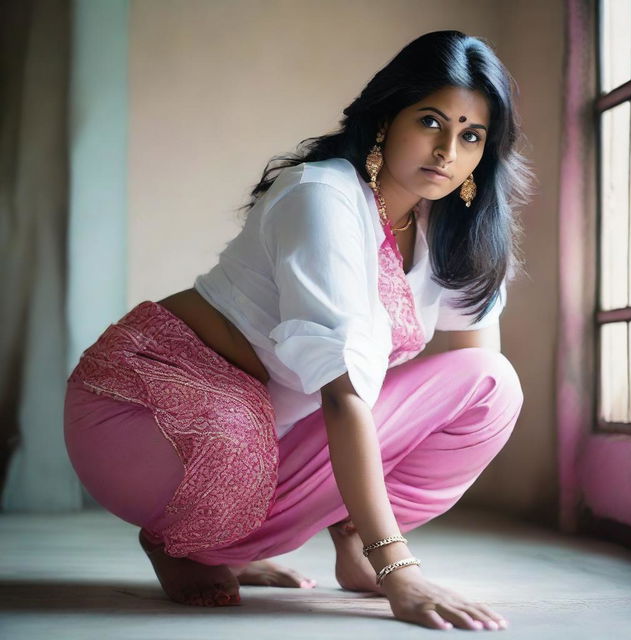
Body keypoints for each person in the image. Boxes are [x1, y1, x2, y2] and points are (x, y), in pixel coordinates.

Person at [63, 30, 533, 631]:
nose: (447, 151)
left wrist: (368, 539)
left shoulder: (454, 228)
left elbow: (461, 381)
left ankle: (308, 544)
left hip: (269, 426)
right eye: (431, 121)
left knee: (491, 386)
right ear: (387, 116)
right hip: (142, 411)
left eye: (471, 135)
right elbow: (343, 396)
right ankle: (190, 541)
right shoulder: (324, 197)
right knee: (244, 439)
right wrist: (400, 573)